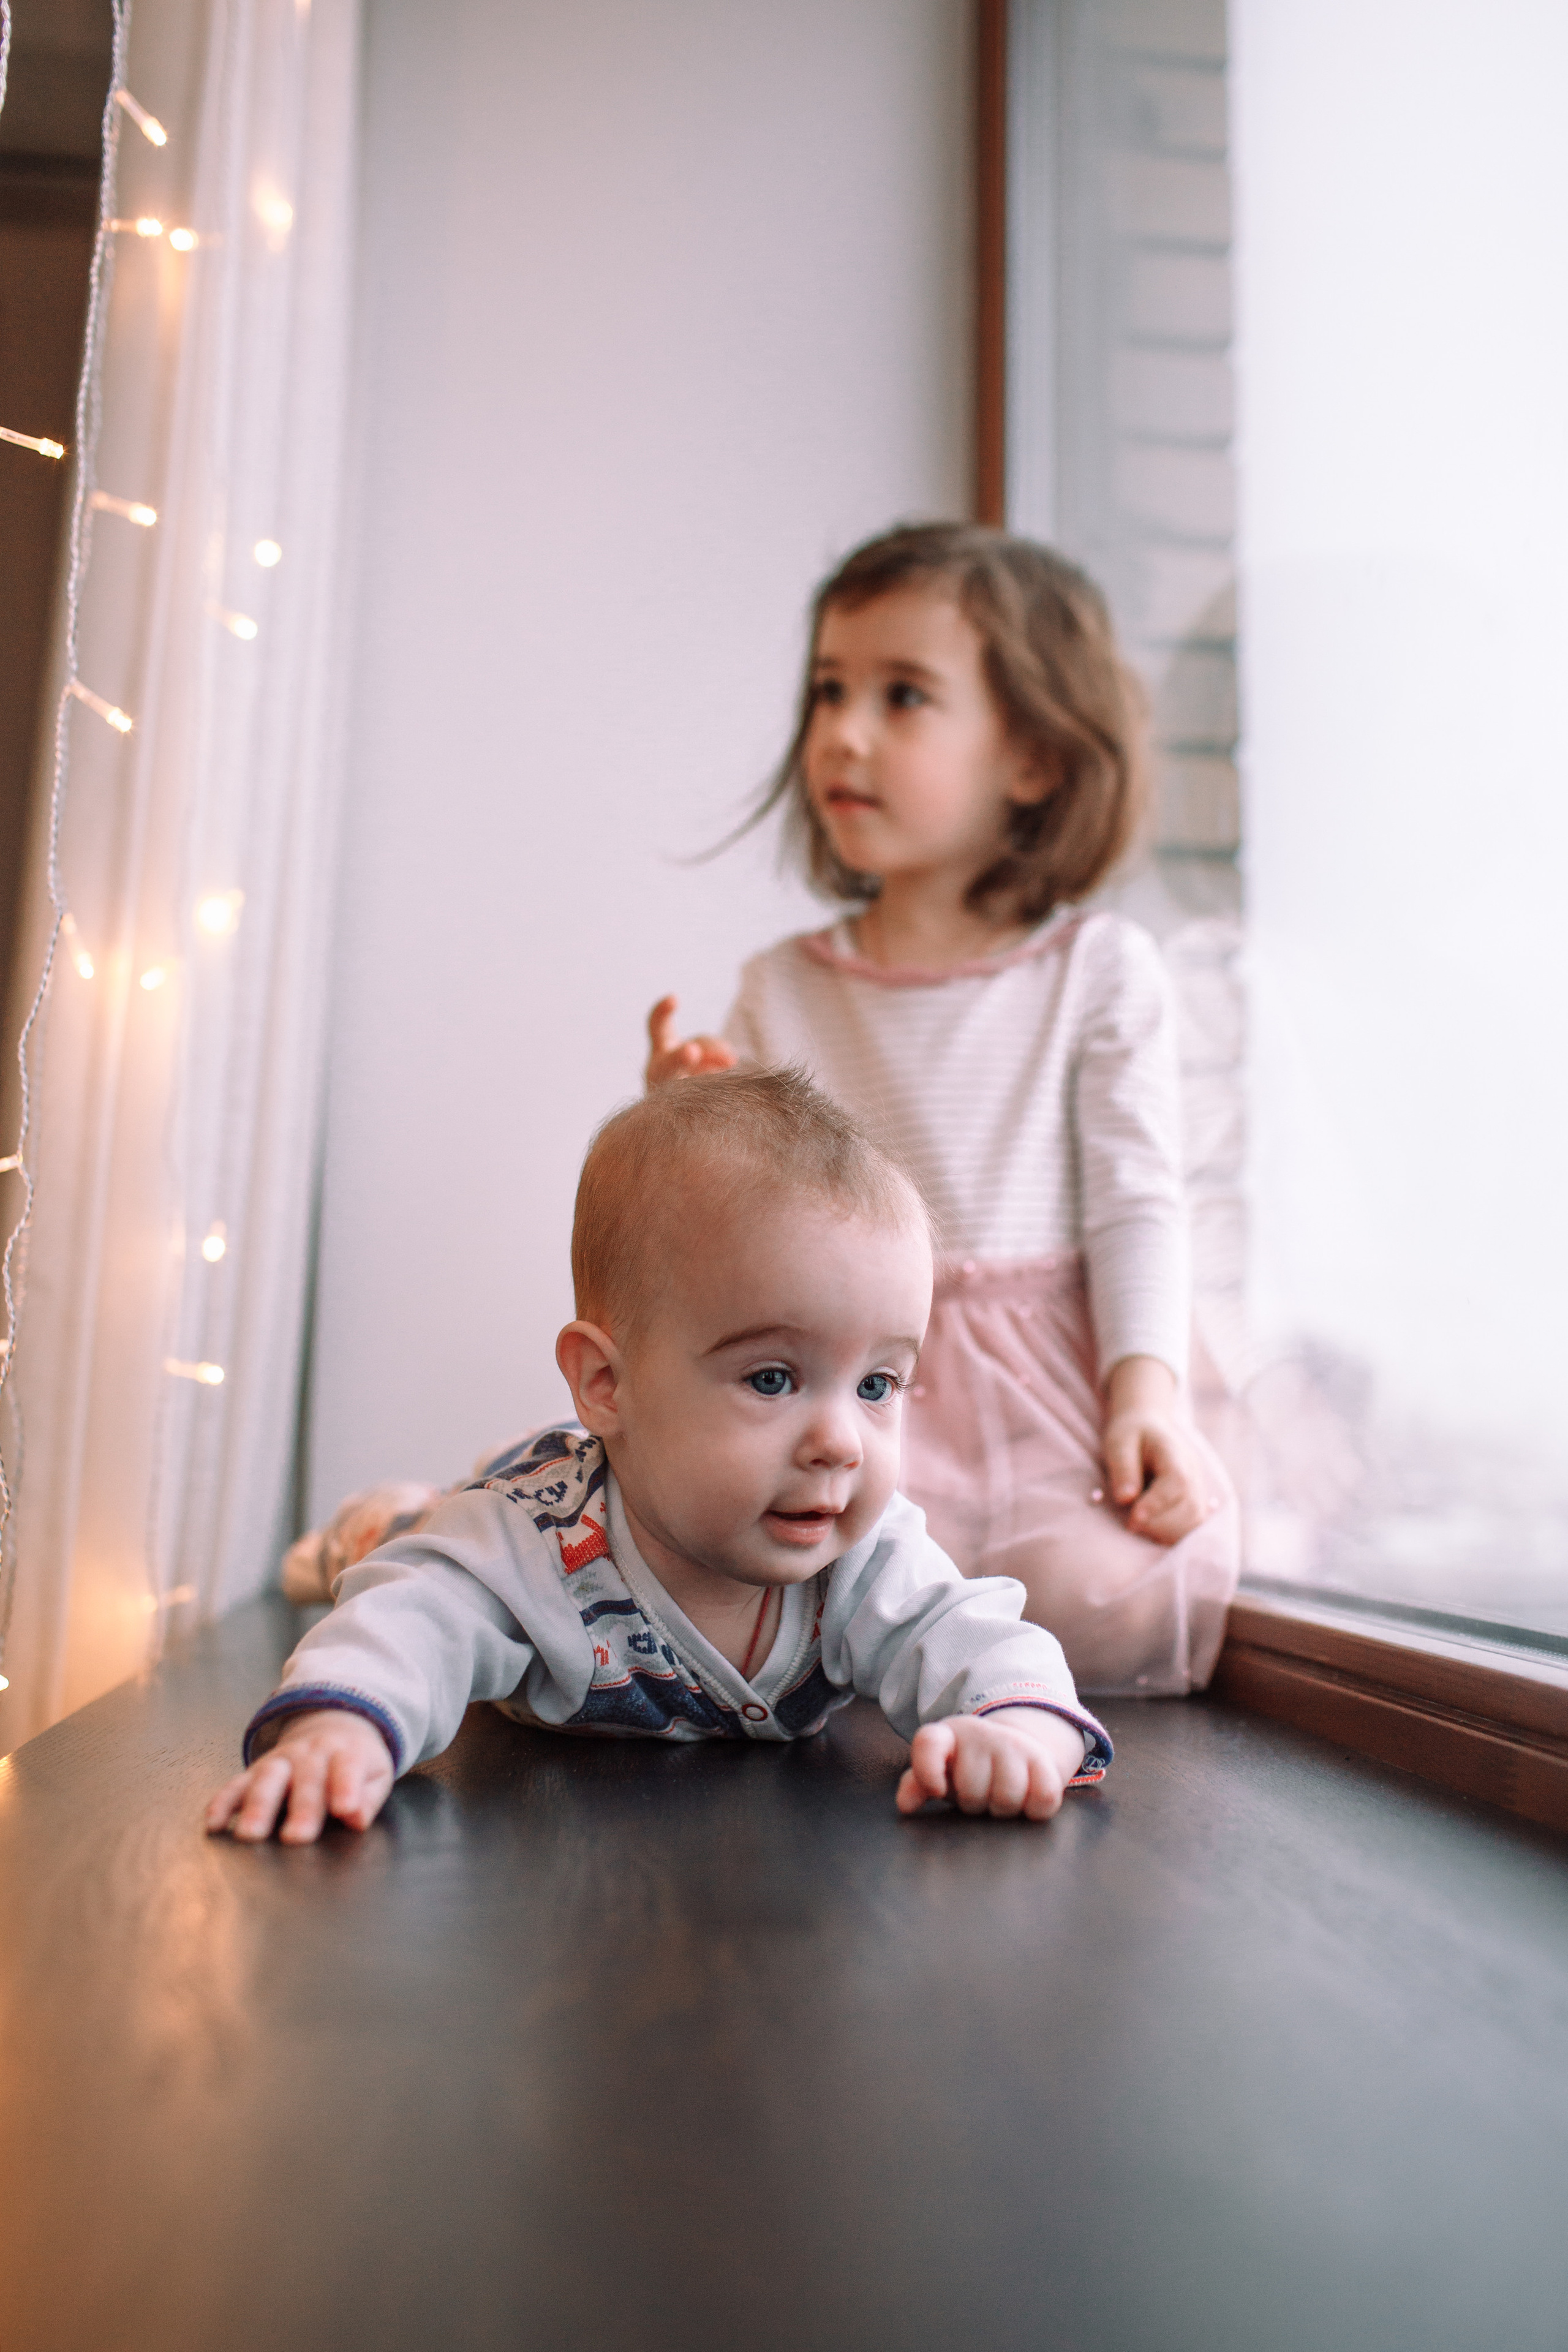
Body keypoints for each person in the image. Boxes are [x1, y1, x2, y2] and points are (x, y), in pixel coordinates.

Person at [208, 1069, 1111, 1845]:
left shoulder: (864, 1558)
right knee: (410, 1541)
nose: (839, 1443)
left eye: (878, 1386)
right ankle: (375, 1518)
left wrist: (1023, 1735)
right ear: (607, 1383)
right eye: (771, 1378)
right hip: (509, 1499)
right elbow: (414, 1619)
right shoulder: (531, 1543)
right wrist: (339, 1730)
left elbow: (981, 1642)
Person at [647, 522, 1238, 1695]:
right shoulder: (783, 986)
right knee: (690, 1566)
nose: (844, 734)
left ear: (1035, 760)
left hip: (1038, 1408)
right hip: (840, 1389)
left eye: (903, 696)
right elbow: (740, 1244)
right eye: (829, 692)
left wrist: (1146, 1398)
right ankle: (452, 1536)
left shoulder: (1098, 969)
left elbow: (1137, 1205)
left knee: (1109, 1593)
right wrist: (688, 1125)